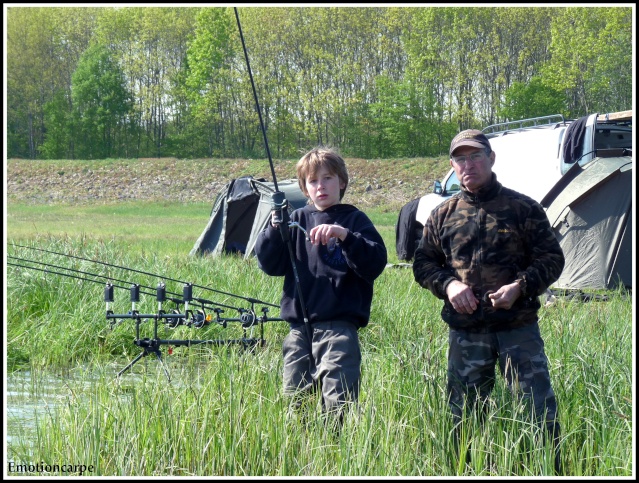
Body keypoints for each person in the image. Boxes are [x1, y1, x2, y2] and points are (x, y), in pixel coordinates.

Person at [412, 129, 565, 474]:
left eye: (476, 156)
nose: (469, 165)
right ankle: (465, 472)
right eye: (460, 159)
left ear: (491, 159)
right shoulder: (443, 214)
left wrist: (520, 287)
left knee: (538, 410)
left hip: (518, 329)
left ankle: (548, 470)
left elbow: (552, 259)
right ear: (452, 165)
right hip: (467, 333)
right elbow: (423, 264)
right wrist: (449, 286)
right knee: (463, 419)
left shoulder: (523, 208)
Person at [255, 147, 387, 428]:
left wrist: (344, 236)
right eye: (313, 181)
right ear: (304, 188)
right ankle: (302, 455)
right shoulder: (297, 220)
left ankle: (337, 456)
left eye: (327, 178)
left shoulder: (354, 220)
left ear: (341, 182)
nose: (321, 186)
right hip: (298, 331)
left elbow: (375, 262)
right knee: (295, 403)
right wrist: (275, 227)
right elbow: (270, 264)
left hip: (339, 329)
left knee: (339, 405)